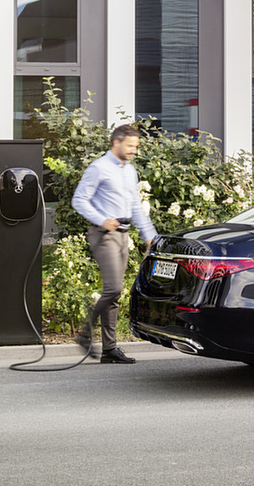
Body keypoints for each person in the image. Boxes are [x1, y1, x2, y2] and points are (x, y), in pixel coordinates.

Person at [71, 124, 156, 364]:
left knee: (115, 293)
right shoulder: (98, 168)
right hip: (104, 234)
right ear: (116, 143)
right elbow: (79, 200)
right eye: (130, 146)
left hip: (123, 235)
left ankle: (109, 349)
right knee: (113, 289)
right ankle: (85, 332)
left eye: (136, 146)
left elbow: (135, 206)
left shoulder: (130, 171)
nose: (134, 151)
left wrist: (149, 234)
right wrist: (102, 219)